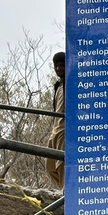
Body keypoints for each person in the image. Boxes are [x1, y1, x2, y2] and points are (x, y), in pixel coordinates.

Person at [45, 52, 65, 189]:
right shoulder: (58, 86)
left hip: (65, 128)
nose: (58, 68)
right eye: (56, 66)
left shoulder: (72, 83)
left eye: (62, 65)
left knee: (62, 162)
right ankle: (63, 190)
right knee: (50, 165)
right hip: (55, 128)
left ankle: (66, 192)